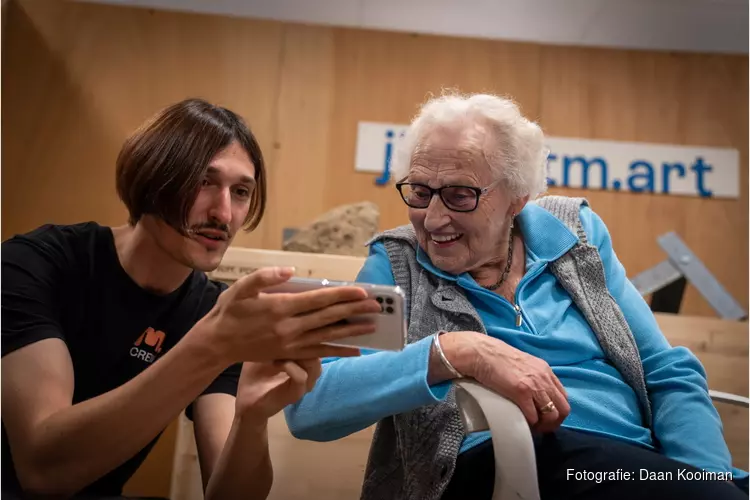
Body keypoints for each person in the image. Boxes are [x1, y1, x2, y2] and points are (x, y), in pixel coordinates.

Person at [284, 92, 748, 500]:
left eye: (460, 195)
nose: (434, 217)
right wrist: (450, 352)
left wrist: (706, 478)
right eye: (421, 192)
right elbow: (312, 405)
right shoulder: (397, 264)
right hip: (510, 461)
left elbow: (665, 372)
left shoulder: (576, 236)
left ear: (518, 196)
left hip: (639, 468)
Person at [1, 98, 381, 499]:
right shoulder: (36, 264)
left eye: (240, 191)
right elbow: (42, 470)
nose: (224, 213)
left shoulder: (212, 311)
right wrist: (213, 344)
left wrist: (252, 417)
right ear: (152, 178)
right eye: (203, 182)